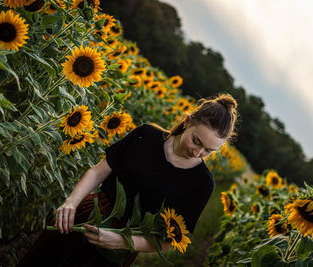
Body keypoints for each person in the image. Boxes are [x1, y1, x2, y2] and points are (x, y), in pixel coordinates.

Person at [18, 93, 238, 267]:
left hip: (119, 248)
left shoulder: (202, 183)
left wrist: (123, 242)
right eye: (196, 141)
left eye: (209, 150)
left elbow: (172, 241)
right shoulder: (146, 135)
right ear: (187, 122)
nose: (197, 152)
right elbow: (98, 172)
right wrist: (71, 202)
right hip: (86, 215)